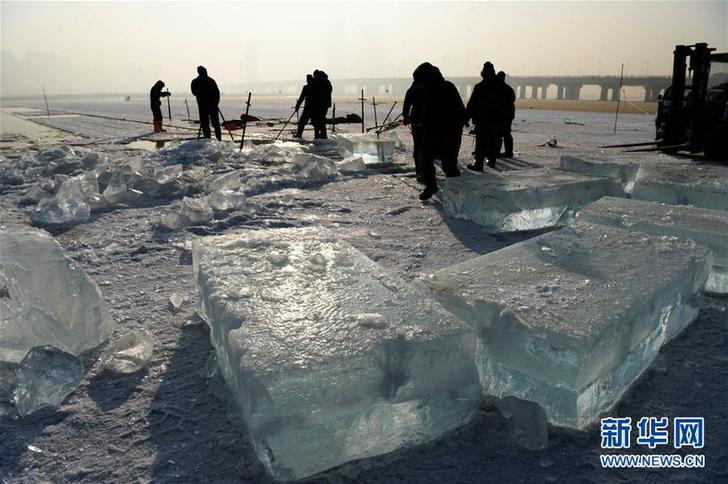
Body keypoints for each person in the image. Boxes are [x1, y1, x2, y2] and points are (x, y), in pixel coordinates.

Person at [417, 63, 467, 201]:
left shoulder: (447, 87)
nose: (420, 85)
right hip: (431, 132)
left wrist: (457, 125)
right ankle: (431, 186)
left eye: (421, 82)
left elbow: (460, 111)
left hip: (449, 133)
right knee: (424, 159)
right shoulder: (428, 91)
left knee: (449, 164)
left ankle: (457, 192)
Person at [465, 61, 504, 170]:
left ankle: (478, 164)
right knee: (493, 141)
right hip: (496, 119)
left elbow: (472, 103)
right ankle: (492, 161)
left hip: (483, 119)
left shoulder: (480, 86)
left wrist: (466, 117)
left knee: (481, 142)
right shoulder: (500, 87)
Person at [402, 68, 428, 183]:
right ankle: (422, 172)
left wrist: (406, 117)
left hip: (421, 122)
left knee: (420, 148)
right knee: (422, 148)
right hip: (422, 122)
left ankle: (421, 173)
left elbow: (407, 105)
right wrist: (406, 116)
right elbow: (407, 105)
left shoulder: (412, 89)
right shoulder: (428, 87)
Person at [191, 66, 221, 141]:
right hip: (205, 105)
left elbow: (217, 93)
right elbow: (194, 92)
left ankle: (213, 139)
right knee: (207, 123)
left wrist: (215, 103)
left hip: (208, 105)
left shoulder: (197, 81)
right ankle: (210, 139)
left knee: (210, 123)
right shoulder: (208, 81)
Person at [497, 71, 516, 158]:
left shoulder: (499, 89)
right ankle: (508, 152)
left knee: (501, 134)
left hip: (504, 115)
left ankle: (503, 152)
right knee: (505, 133)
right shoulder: (509, 89)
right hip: (508, 114)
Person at [309, 70, 332, 139]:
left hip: (320, 104)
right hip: (325, 104)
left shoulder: (321, 82)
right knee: (321, 120)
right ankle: (322, 134)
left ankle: (321, 134)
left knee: (317, 120)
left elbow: (316, 91)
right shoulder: (327, 81)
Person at [294, 74, 314, 138]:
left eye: (307, 79)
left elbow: (301, 98)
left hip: (308, 108)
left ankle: (299, 135)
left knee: (302, 122)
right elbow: (301, 98)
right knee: (315, 123)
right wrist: (297, 105)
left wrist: (297, 106)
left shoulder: (306, 87)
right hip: (315, 107)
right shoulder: (316, 87)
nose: (307, 80)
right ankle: (317, 136)